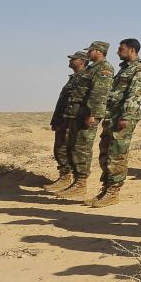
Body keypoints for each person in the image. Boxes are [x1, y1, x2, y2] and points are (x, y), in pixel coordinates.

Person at [90, 38, 141, 207]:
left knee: (117, 154)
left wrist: (127, 116)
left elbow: (135, 94)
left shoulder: (140, 68)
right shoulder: (125, 68)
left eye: (121, 49)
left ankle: (113, 191)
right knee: (106, 152)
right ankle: (107, 187)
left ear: (131, 50)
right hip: (112, 116)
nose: (117, 51)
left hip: (123, 118)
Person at [57, 41, 114, 201]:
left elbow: (99, 93)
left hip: (88, 115)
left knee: (82, 148)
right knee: (74, 146)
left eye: (91, 50)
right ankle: (77, 181)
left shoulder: (104, 68)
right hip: (79, 113)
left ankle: (81, 183)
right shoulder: (92, 68)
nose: (88, 53)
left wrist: (93, 114)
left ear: (99, 51)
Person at [45, 50, 89, 193]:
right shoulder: (74, 77)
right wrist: (56, 119)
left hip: (72, 119)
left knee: (68, 149)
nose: (70, 60)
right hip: (63, 118)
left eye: (74, 59)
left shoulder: (84, 77)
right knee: (60, 148)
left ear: (82, 61)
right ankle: (64, 176)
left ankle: (71, 179)